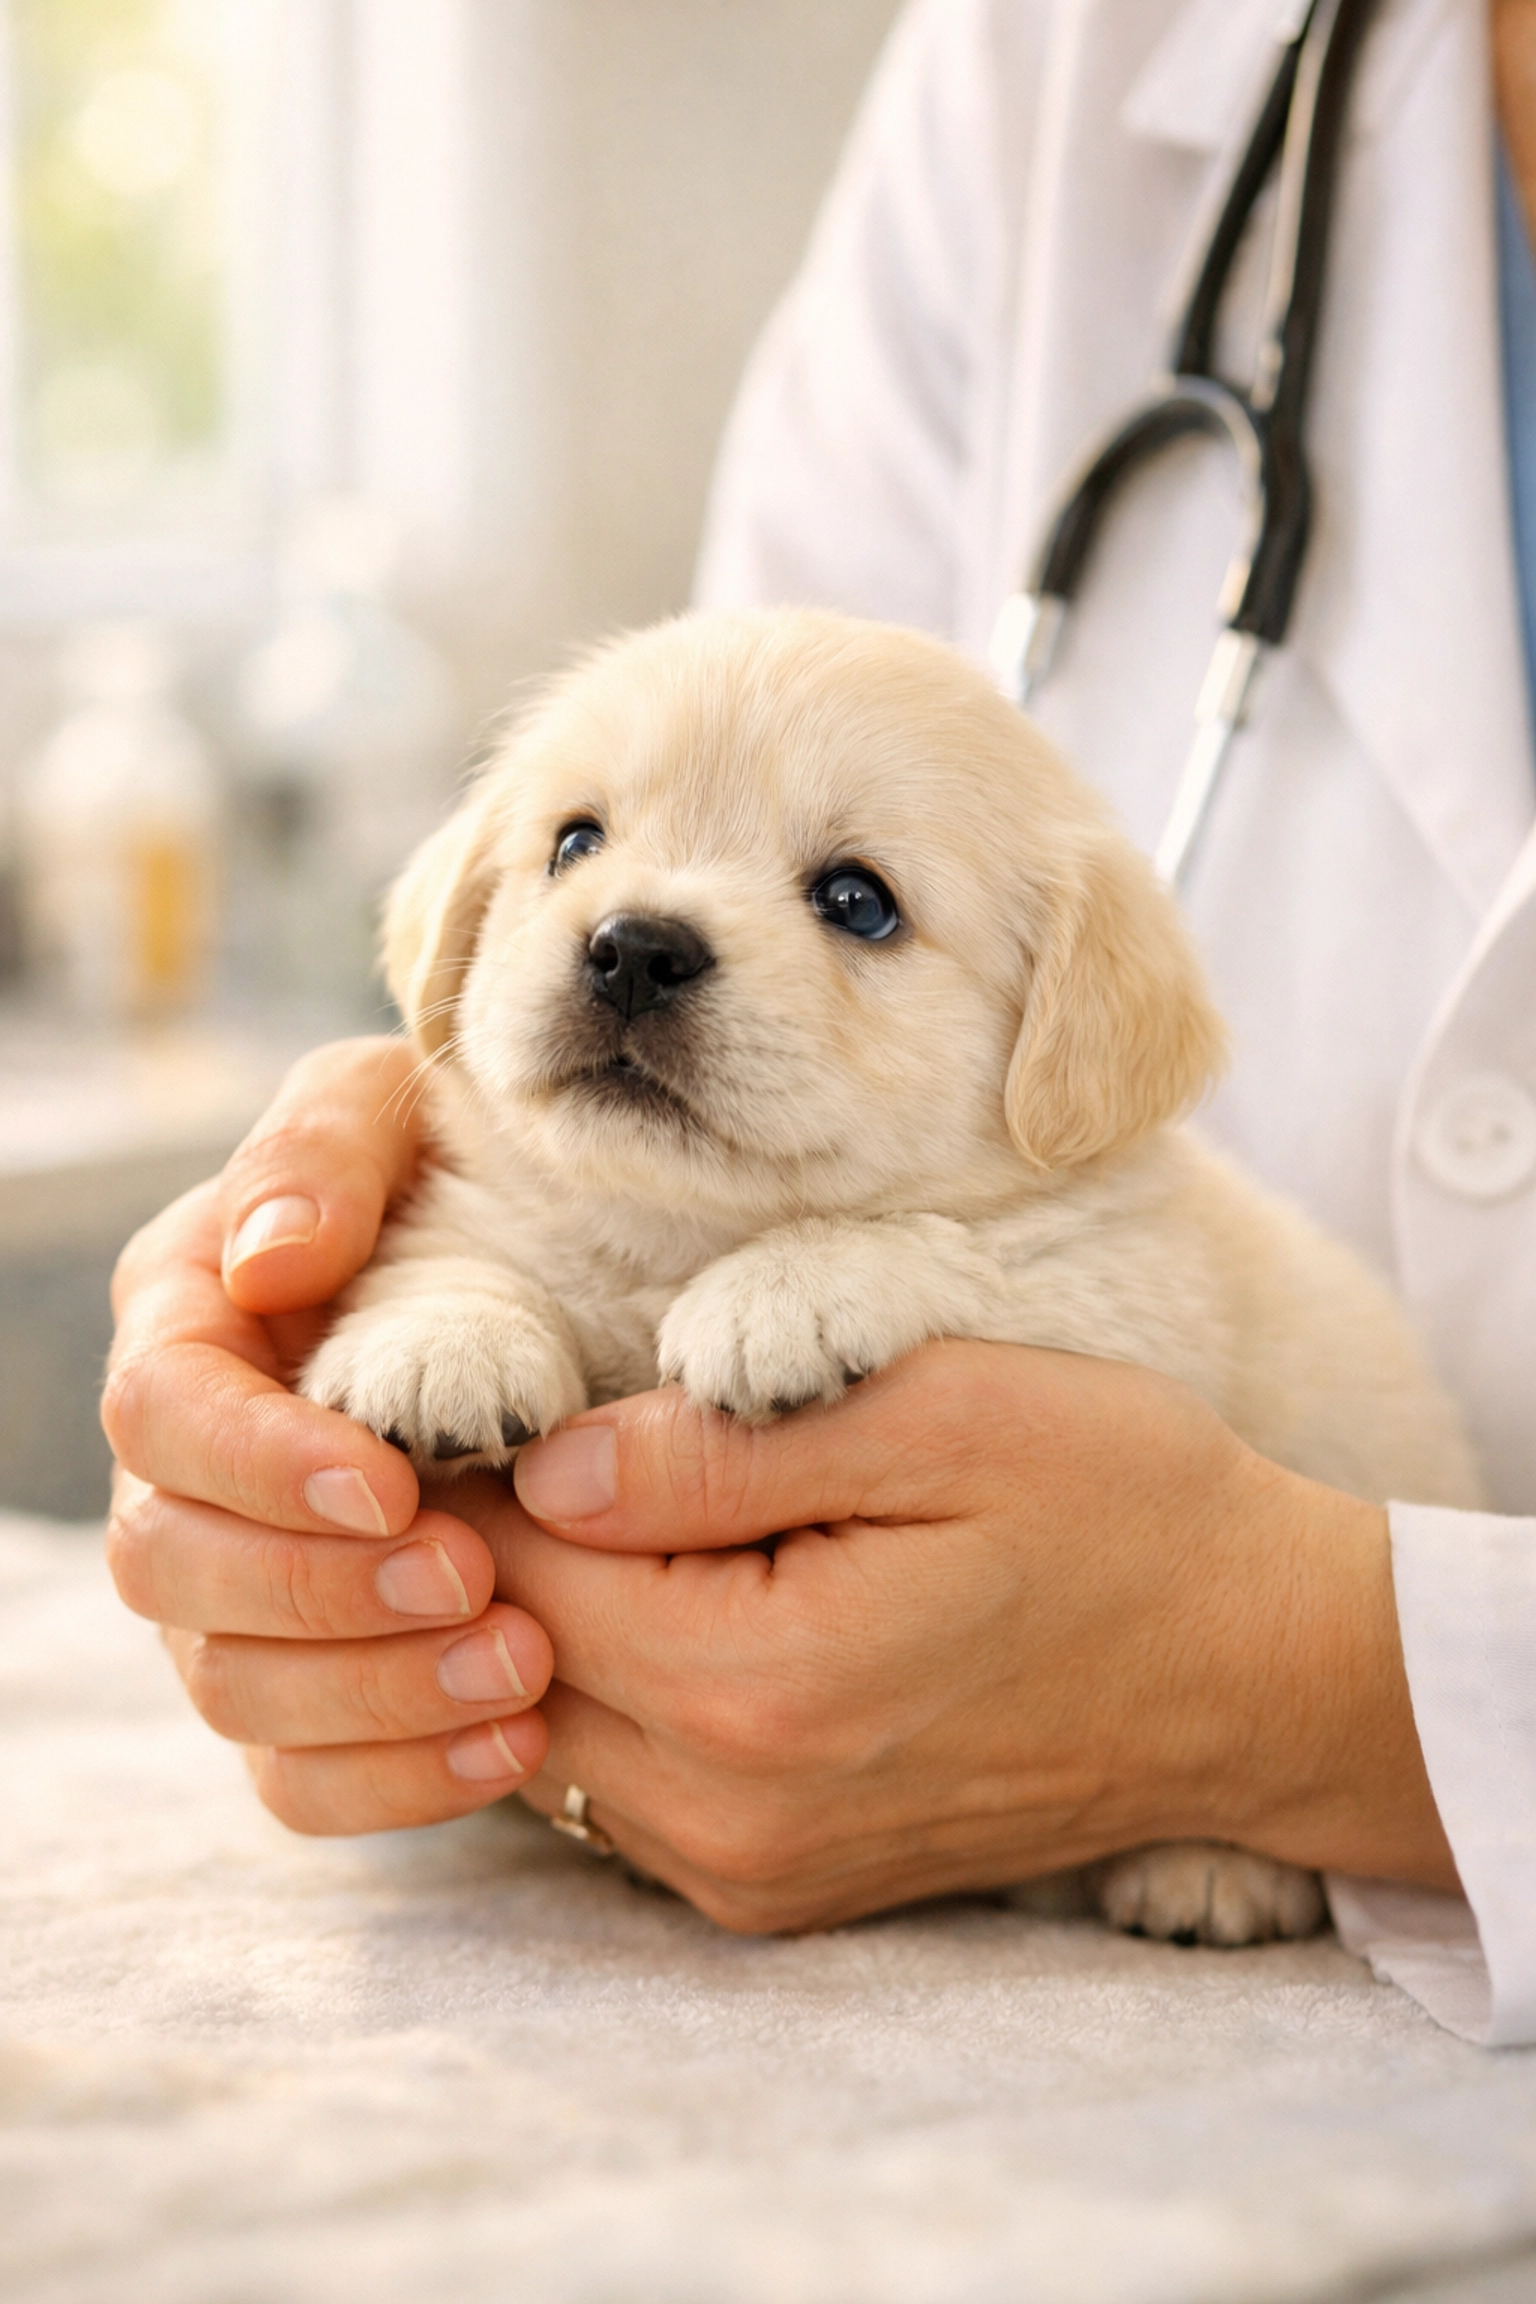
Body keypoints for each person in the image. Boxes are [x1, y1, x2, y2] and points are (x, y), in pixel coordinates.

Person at [103, 0, 1536, 2043]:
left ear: (1071, 1053)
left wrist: (1313, 1711)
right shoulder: (1056, 47)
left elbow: (1122, 1339)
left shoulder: (1093, 1205)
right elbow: (766, 682)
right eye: (577, 843)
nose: (641, 931)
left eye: (855, 901)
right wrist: (400, 1538)